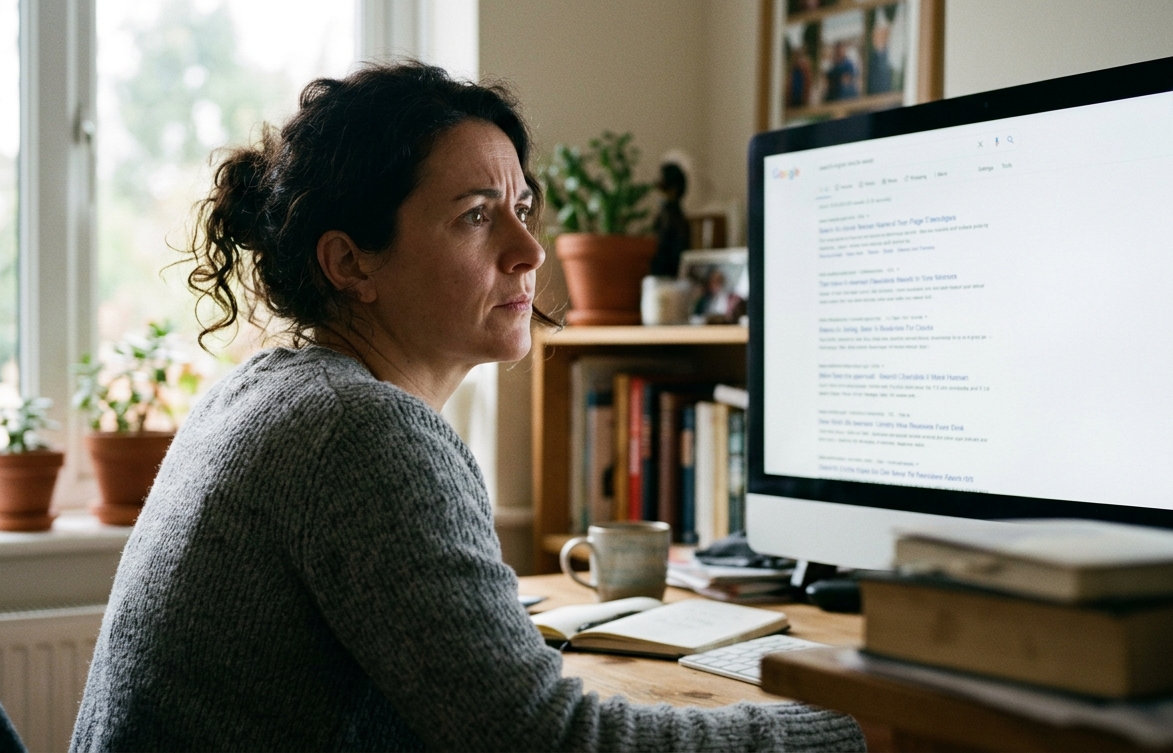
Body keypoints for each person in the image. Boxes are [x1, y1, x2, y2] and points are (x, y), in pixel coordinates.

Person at [70, 62, 864, 753]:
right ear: (351, 262)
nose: (530, 250)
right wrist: (861, 730)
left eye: (523, 207)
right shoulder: (359, 431)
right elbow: (550, 744)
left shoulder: (271, 390)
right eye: (477, 216)